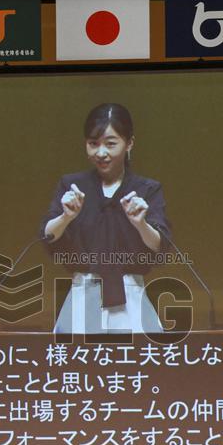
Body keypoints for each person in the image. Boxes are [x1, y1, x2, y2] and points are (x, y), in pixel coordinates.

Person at [41, 103, 172, 333]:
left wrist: (140, 223)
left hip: (130, 293)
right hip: (84, 292)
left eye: (110, 144)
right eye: (93, 144)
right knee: (77, 364)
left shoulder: (147, 189)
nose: (101, 153)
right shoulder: (72, 185)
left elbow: (160, 244)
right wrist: (65, 216)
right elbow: (48, 235)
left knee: (141, 365)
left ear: (129, 143)